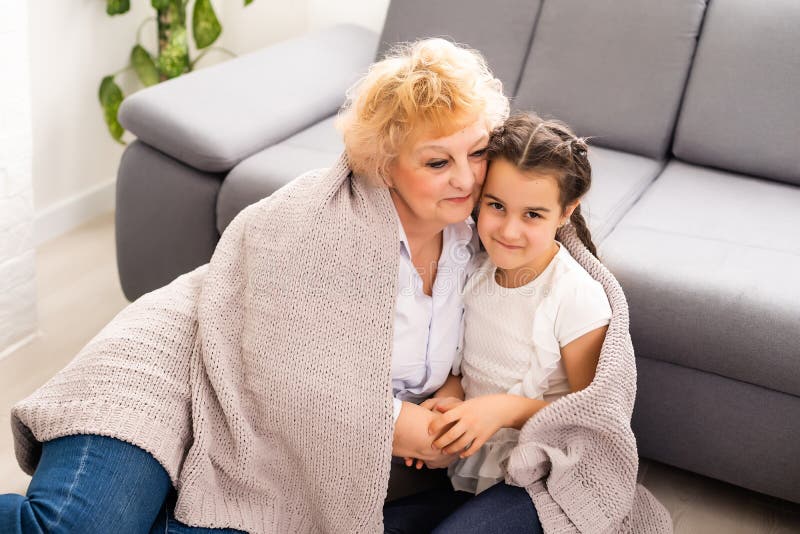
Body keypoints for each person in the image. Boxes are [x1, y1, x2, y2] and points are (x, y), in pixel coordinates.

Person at [0, 38, 509, 533]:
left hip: (268, 435)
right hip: (174, 366)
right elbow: (282, 368)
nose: (466, 179)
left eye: (479, 152)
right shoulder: (309, 220)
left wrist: (453, 388)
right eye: (438, 162)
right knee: (76, 527)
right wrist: (399, 428)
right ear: (384, 165)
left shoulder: (485, 240)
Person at [384, 112, 612, 533]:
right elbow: (464, 365)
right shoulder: (474, 270)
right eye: (496, 206)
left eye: (533, 215)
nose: (508, 230)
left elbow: (592, 421)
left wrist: (502, 410)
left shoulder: (575, 297)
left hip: (544, 479)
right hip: (474, 472)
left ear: (566, 212)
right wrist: (452, 404)